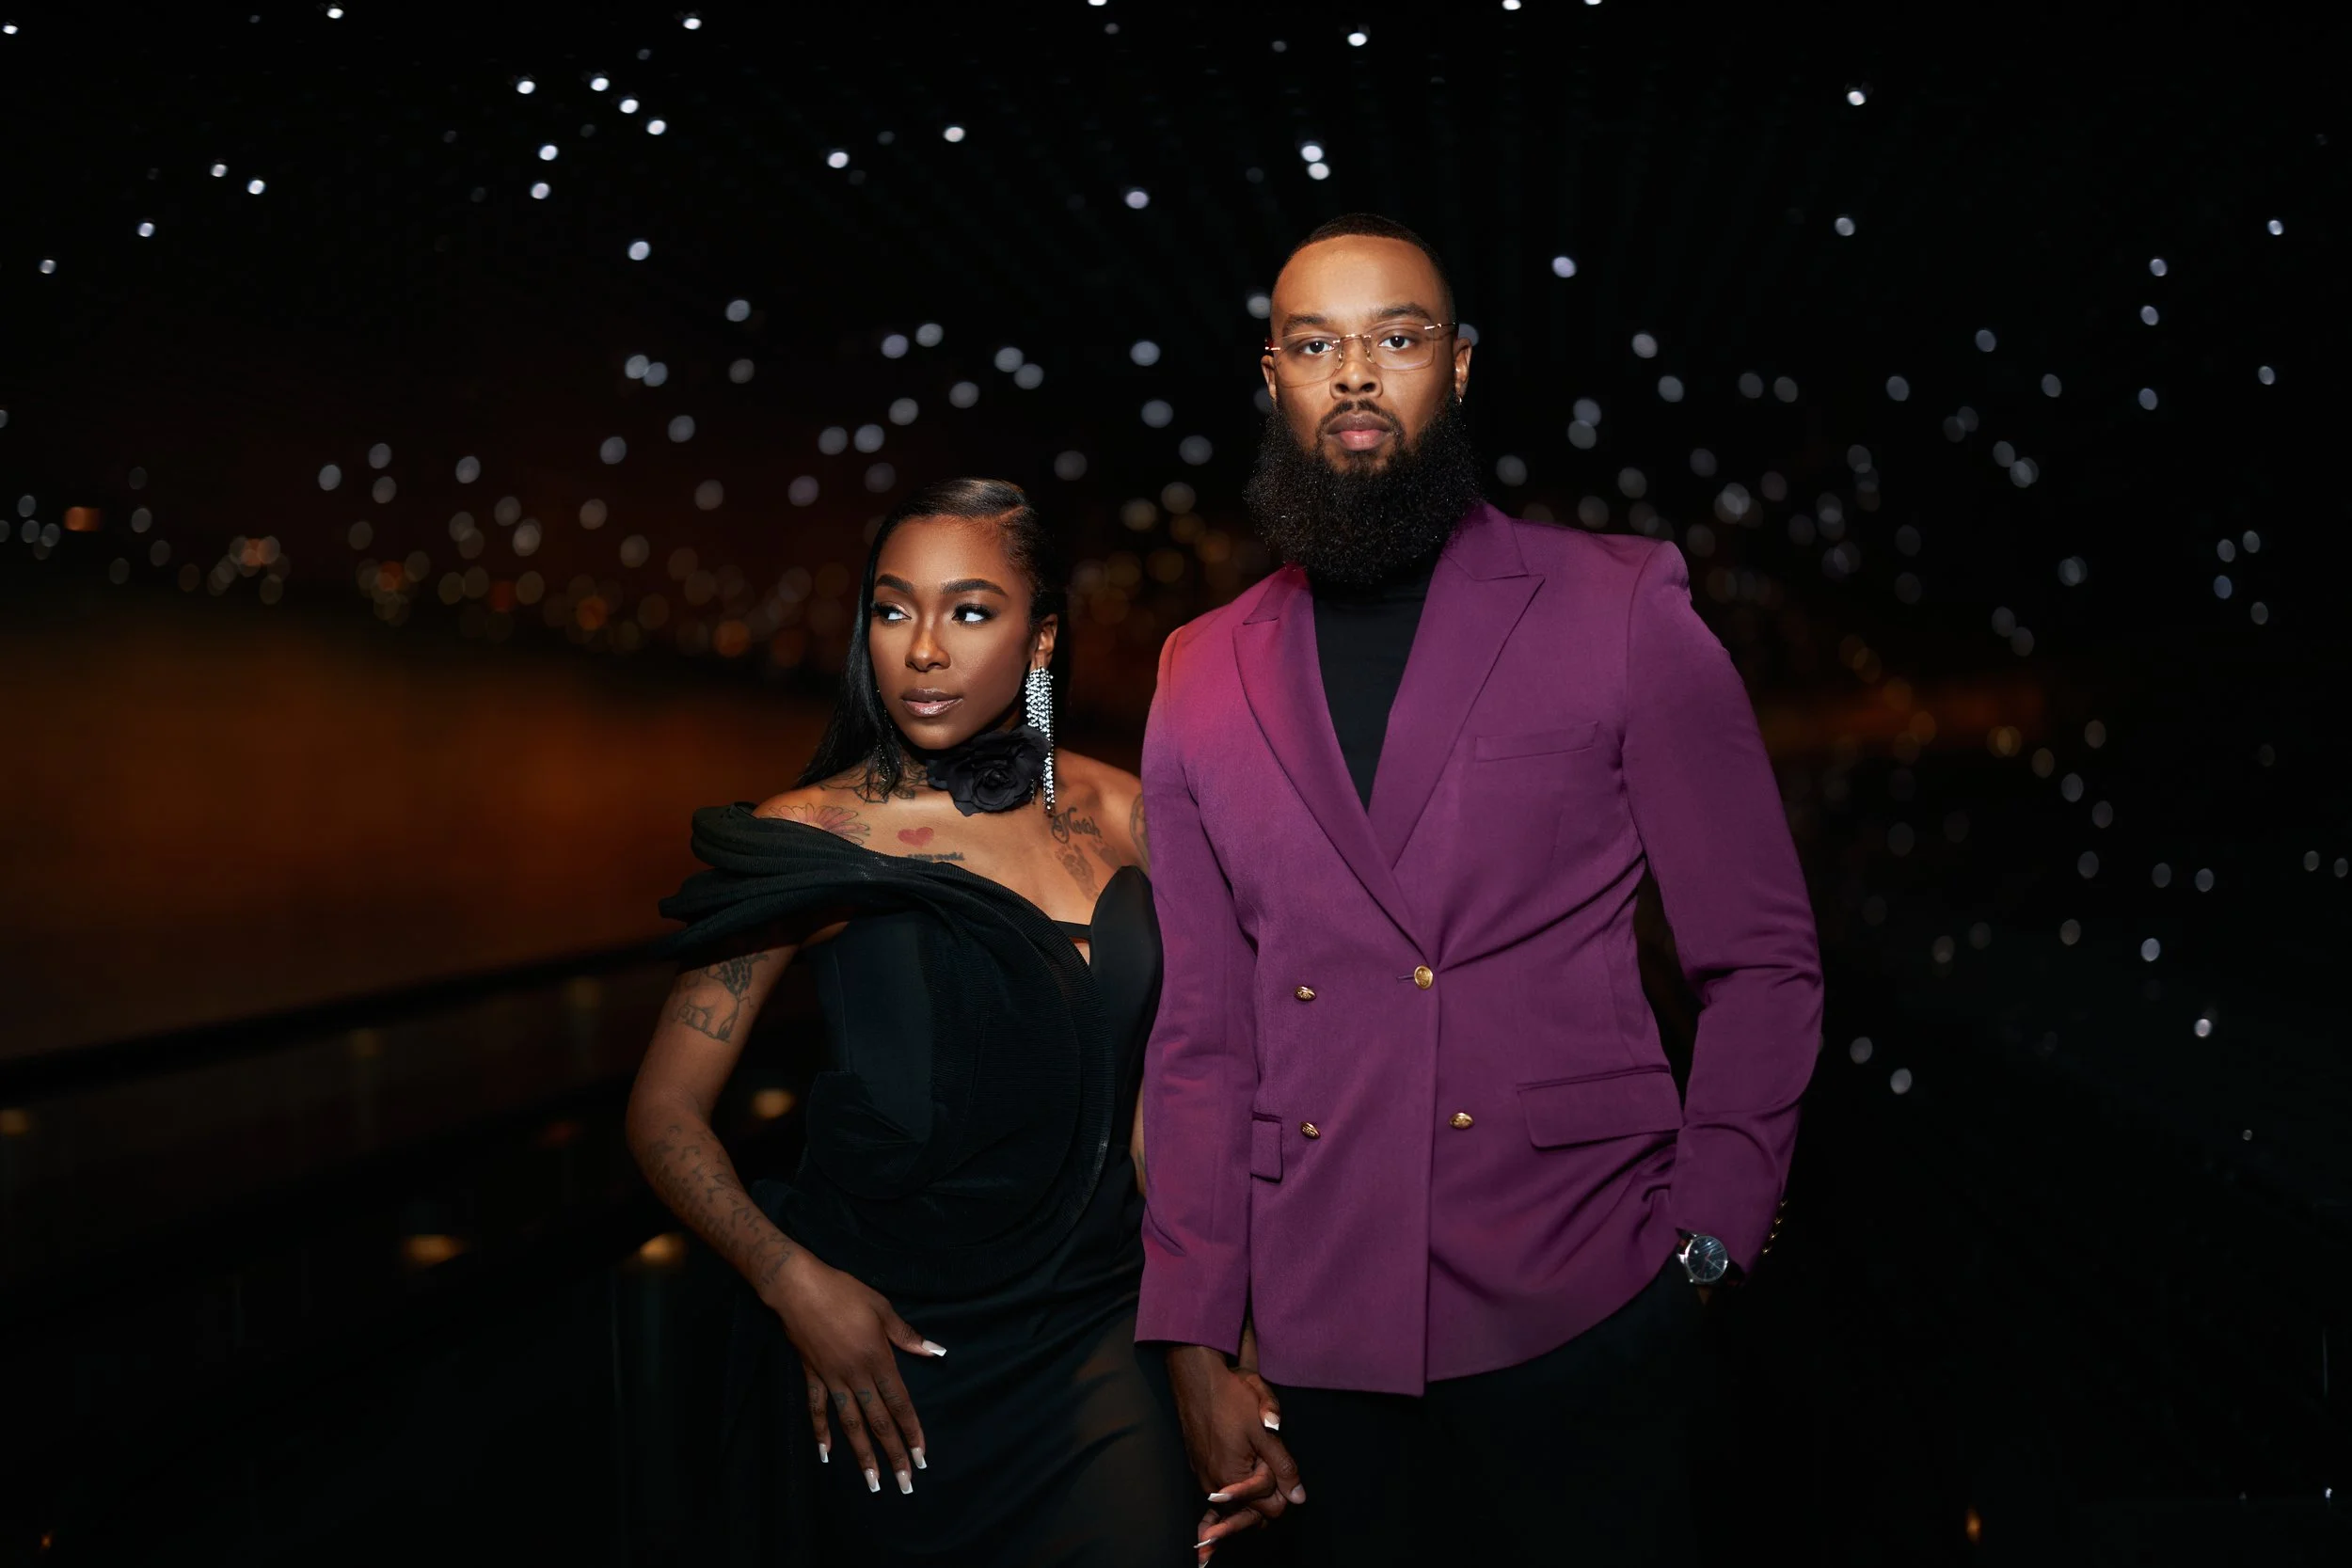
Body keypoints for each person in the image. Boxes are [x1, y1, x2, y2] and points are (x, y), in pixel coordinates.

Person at [1136, 214, 1824, 1565]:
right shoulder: (1198, 668)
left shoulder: (1620, 604)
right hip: (1317, 1327)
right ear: (1269, 378)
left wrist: (1708, 1246)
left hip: (1581, 1299)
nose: (1353, 375)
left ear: (1456, 367)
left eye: (1393, 339)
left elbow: (1760, 957)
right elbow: (1202, 1037)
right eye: (1315, 344)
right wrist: (1193, 1336)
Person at [627, 478, 1216, 1566]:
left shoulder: (1134, 814)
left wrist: (1214, 1329)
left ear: (1040, 640)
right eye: (894, 610)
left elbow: (1163, 1100)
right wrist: (792, 1281)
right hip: (881, 1346)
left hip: (1097, 1323)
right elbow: (663, 1112)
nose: (925, 649)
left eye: (970, 610)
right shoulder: (812, 835)